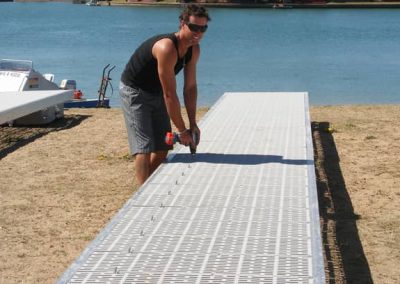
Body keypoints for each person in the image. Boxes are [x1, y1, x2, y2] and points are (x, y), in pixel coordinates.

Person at [119, 4, 211, 186]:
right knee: (144, 147)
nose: (197, 33)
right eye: (193, 27)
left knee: (162, 147)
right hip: (134, 91)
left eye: (203, 29)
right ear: (182, 24)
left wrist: (193, 125)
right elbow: (170, 94)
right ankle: (141, 197)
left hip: (156, 91)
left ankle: (146, 185)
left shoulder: (194, 50)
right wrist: (182, 131)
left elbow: (190, 88)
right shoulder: (166, 47)